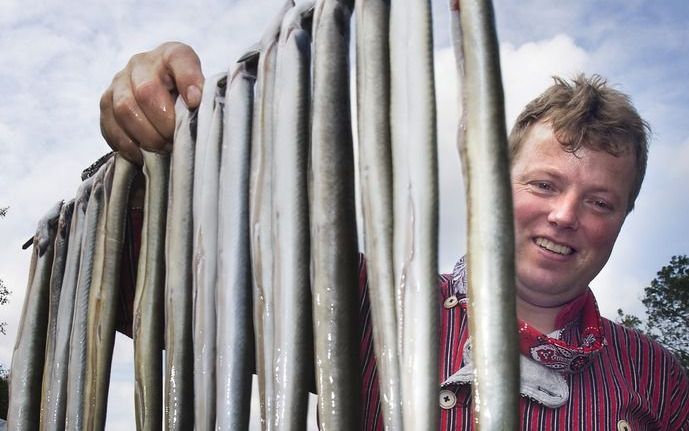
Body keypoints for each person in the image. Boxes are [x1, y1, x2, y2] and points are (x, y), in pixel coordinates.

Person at [100, 42, 689, 429]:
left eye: (600, 201)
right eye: (542, 184)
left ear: (623, 219)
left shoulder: (658, 378)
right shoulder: (375, 302)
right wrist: (156, 148)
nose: (565, 215)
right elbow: (160, 294)